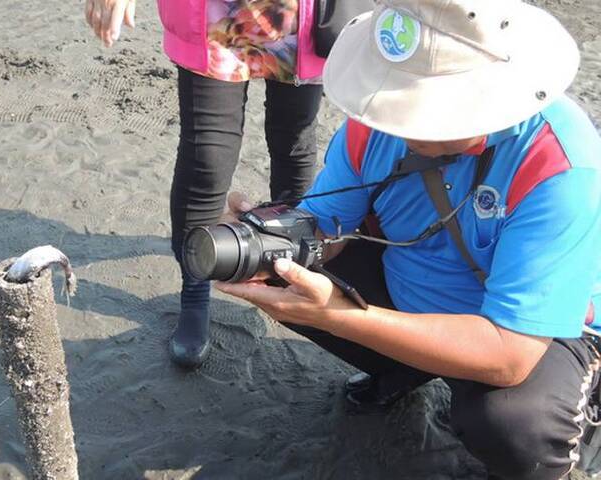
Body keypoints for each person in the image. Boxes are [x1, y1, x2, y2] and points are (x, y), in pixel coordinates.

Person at [216, 0, 601, 478]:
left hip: (533, 333)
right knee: (283, 272)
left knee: (512, 423)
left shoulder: (559, 167)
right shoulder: (376, 124)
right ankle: (405, 367)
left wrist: (338, 314)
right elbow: (326, 221)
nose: (396, 118)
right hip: (417, 291)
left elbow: (511, 353)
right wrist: (274, 235)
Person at [84, 0, 325, 367]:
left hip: (304, 16)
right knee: (207, 160)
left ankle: (286, 271)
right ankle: (195, 287)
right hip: (215, 13)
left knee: (295, 146)